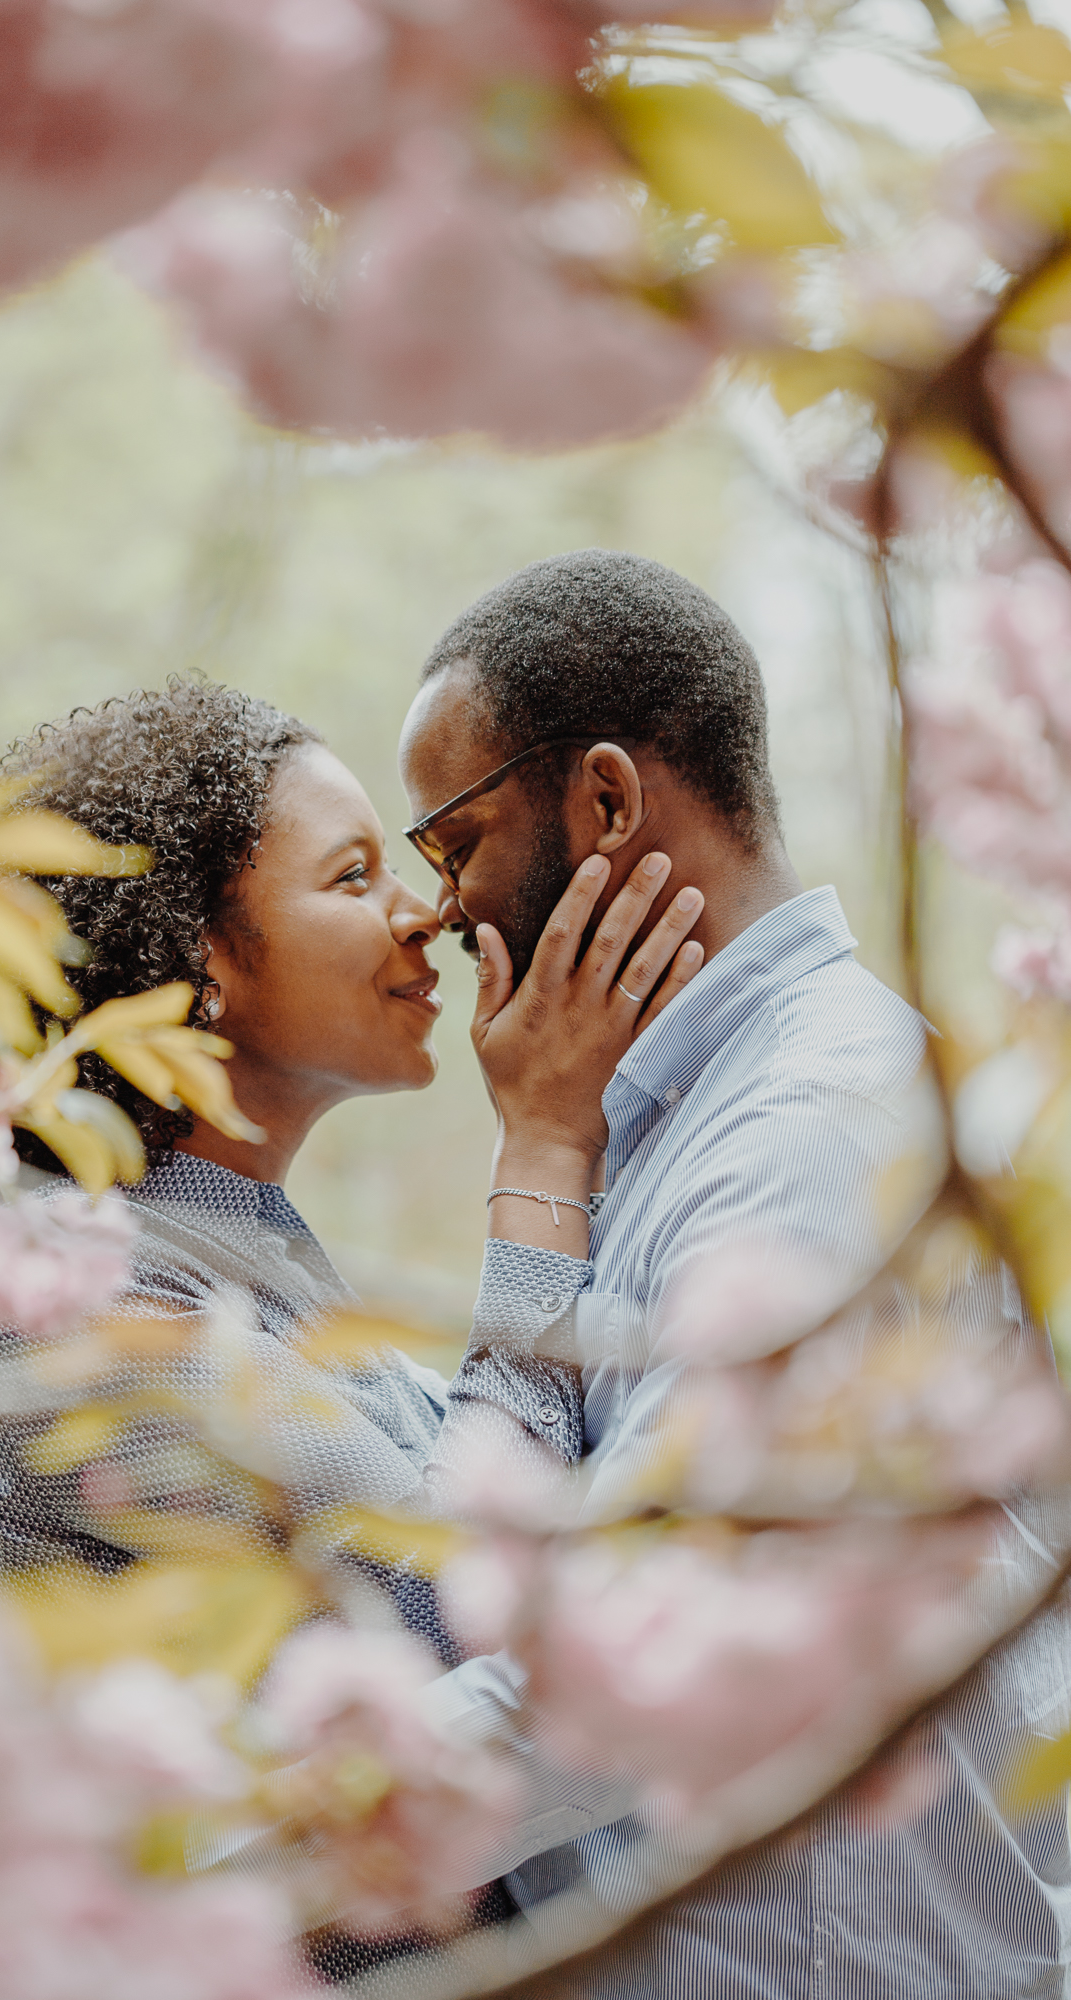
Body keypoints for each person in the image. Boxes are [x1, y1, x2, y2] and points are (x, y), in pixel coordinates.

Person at [0, 677, 703, 1965]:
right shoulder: (77, 1303)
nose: (429, 915)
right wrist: (544, 1152)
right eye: (352, 880)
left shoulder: (218, 1251)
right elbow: (470, 1626)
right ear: (201, 957)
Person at [397, 548, 1071, 1996]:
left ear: (607, 802)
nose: (440, 913)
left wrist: (216, 1836)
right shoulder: (663, 1118)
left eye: (450, 843)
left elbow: (642, 1642)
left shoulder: (803, 1135)